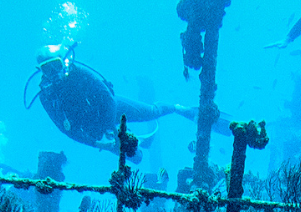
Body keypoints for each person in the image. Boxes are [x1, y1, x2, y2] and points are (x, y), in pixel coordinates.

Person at [24, 47, 200, 153]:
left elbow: (108, 98)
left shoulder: (78, 73)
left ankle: (178, 108)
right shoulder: (46, 96)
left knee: (152, 112)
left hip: (112, 109)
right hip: (93, 129)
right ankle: (133, 140)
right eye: (47, 69)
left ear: (63, 62)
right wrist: (99, 144)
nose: (54, 72)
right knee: (135, 157)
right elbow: (66, 130)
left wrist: (111, 128)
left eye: (56, 65)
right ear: (41, 71)